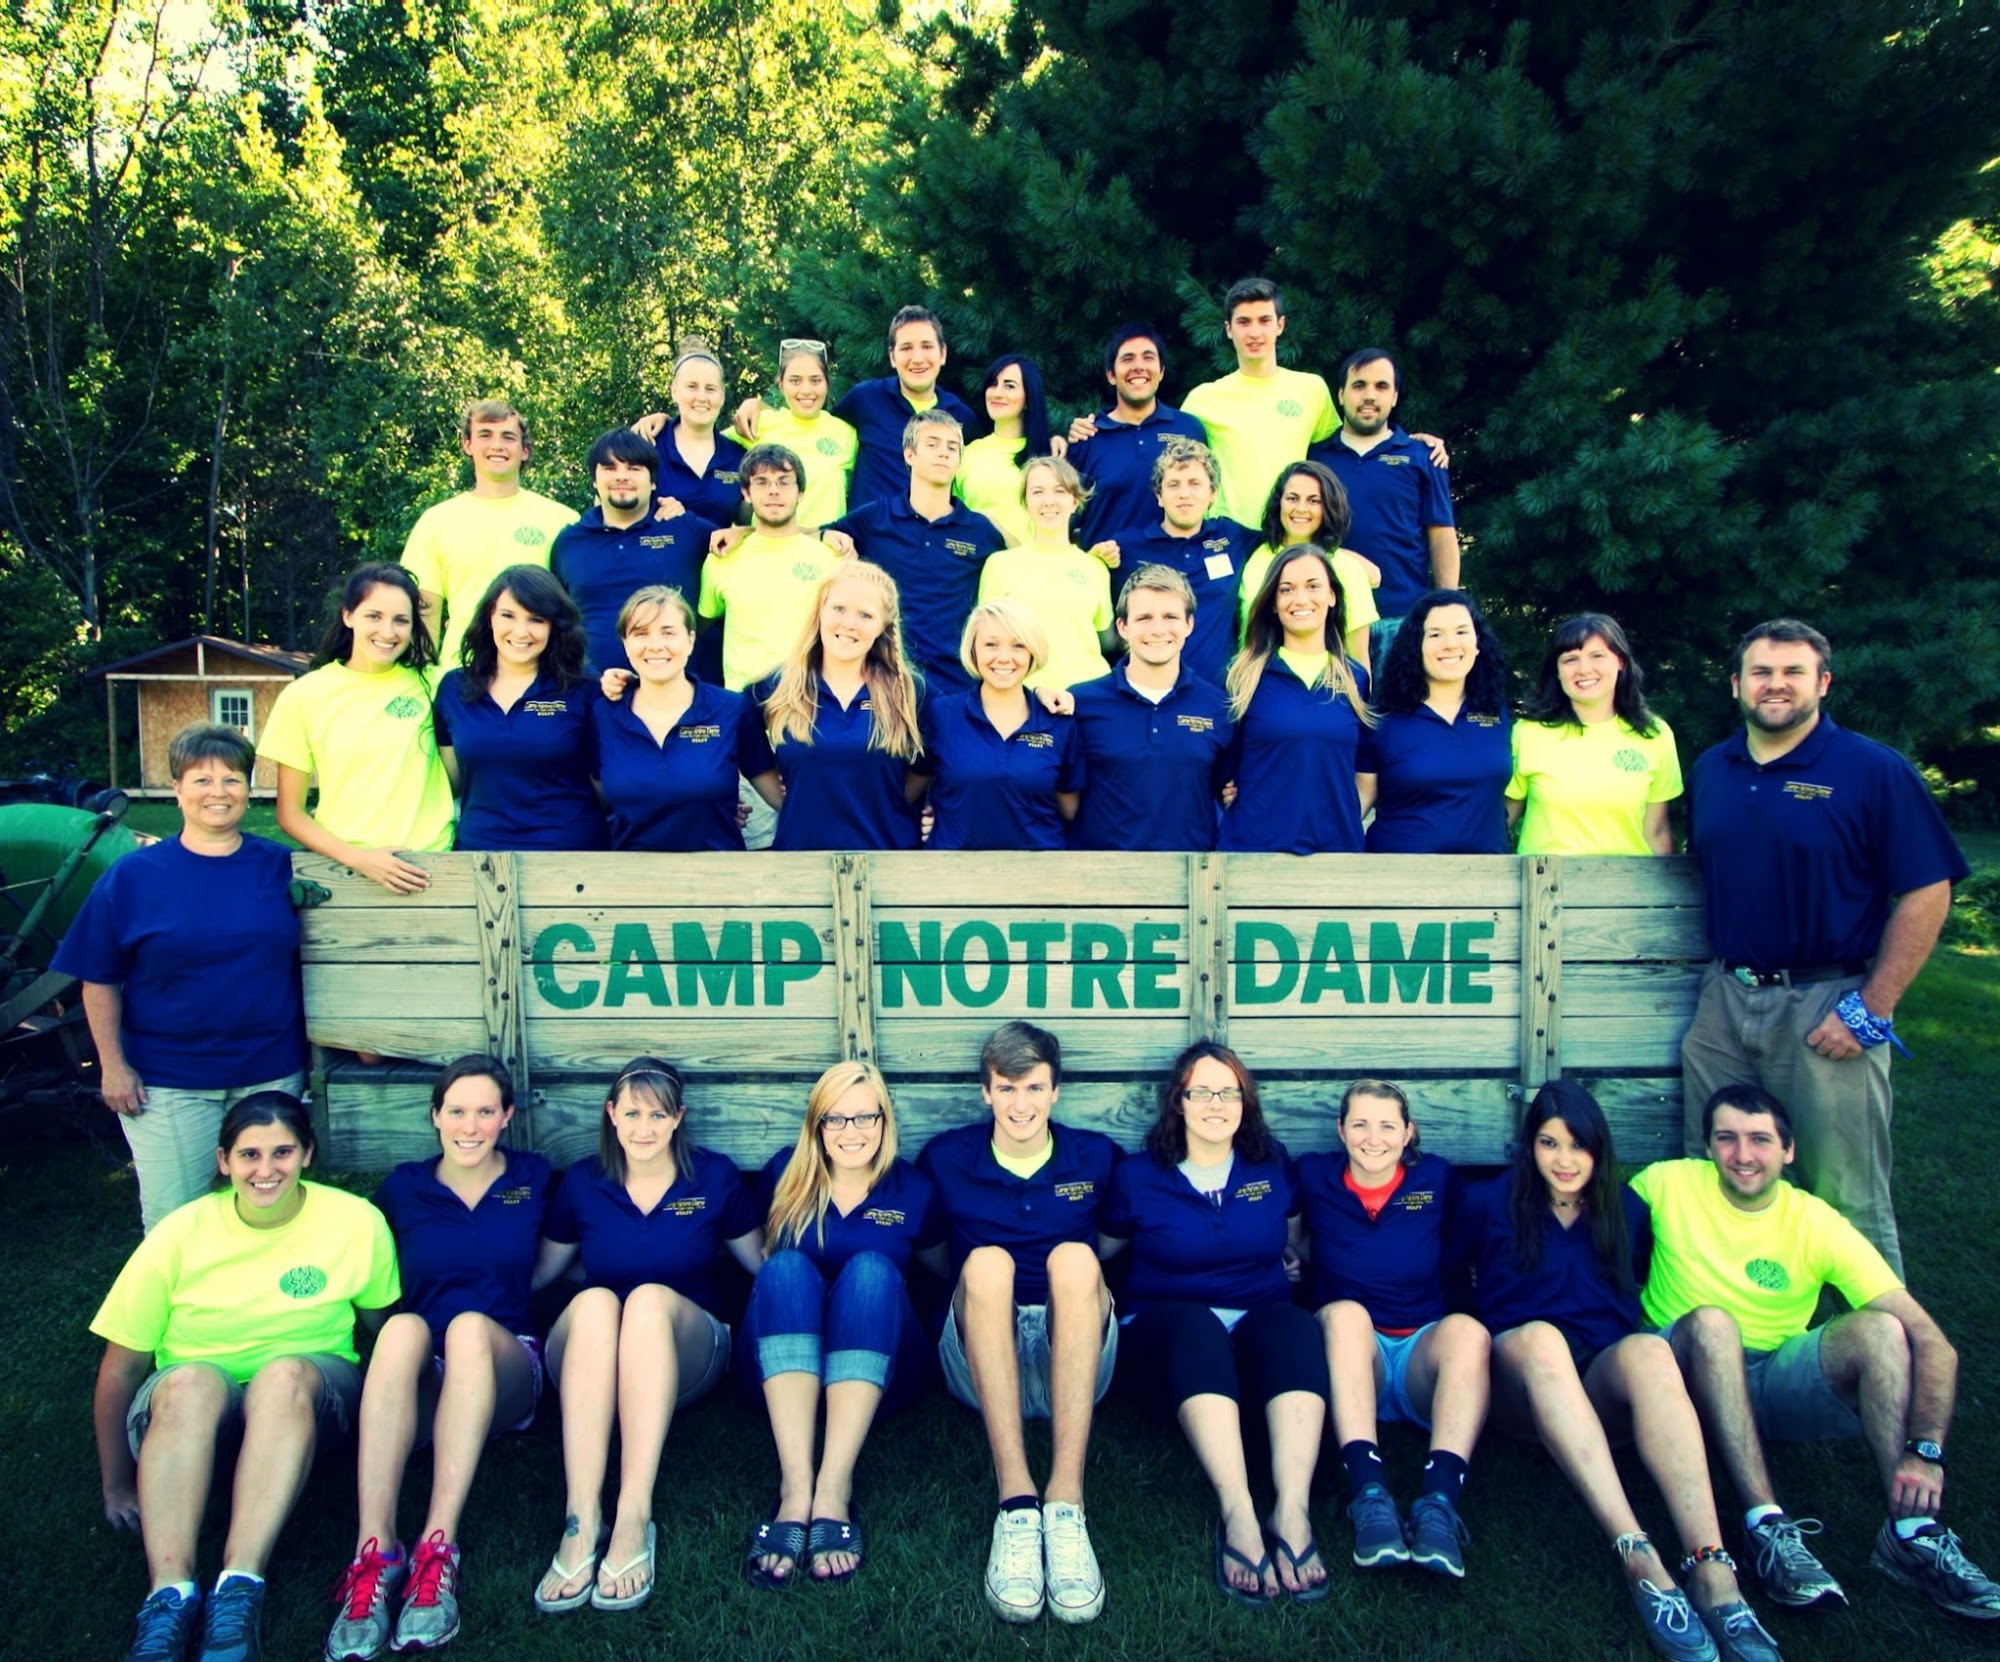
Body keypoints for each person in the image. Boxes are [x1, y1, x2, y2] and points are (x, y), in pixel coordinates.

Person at [1638, 1083, 2000, 1622]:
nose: (1742, 1154)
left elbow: (1932, 1342)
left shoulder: (1816, 1221)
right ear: (1708, 1145)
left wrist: (1925, 1450)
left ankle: (1911, 1532)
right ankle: (1766, 1526)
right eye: (1727, 1138)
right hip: (1679, 1371)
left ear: (1789, 1150)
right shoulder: (1666, 1183)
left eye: (1760, 1139)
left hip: (1772, 1374)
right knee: (1715, 1323)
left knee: (1882, 1331)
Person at [1678, 620, 1967, 1275]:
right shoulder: (1714, 769)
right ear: (1736, 684)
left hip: (1825, 1004)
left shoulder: (1872, 770)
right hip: (1725, 1002)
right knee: (1717, 1181)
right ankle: (1739, 1324)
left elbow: (1928, 889)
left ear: (1823, 683)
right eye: (1761, 672)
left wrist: (1873, 1006)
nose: (1775, 685)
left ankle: (1880, 1336)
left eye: (1793, 672)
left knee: (1845, 1196)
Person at [1460, 1080, 1781, 1662]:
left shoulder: (1627, 1210)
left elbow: (1636, 1275)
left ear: (1599, 1149)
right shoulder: (1488, 1202)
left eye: (1578, 1146)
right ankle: (1639, 1556)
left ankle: (1712, 1570)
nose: (1564, 1161)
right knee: (1543, 1340)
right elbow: (1452, 1279)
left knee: (1650, 1352)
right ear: (1529, 1145)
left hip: (1596, 1382)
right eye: (1549, 1143)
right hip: (1517, 1380)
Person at [93, 1092, 399, 1662]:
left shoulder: (356, 1221)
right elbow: (123, 1364)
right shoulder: (180, 1232)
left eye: (282, 1152)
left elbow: (385, 1329)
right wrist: (115, 1483)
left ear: (307, 1153)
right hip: (191, 1402)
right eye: (249, 1155)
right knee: (189, 1383)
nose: (266, 1170)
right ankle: (168, 1594)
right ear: (223, 1160)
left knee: (282, 1376)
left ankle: (239, 1585)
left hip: (308, 1395)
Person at [325, 1057, 555, 1660]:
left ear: (507, 1116)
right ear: (435, 1116)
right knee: (401, 1329)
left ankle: (437, 1549)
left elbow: (566, 1257)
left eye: (485, 1111)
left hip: (505, 1361)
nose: (470, 1126)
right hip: (426, 1372)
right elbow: (372, 1283)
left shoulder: (534, 1177)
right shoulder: (402, 1189)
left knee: (469, 1329)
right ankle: (374, 1554)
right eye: (457, 1111)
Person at [1099, 1042, 1329, 1605]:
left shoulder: (1270, 1164)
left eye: (1229, 1092)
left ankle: (1292, 1511)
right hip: (1167, 1341)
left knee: (1295, 1325)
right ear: (1177, 1102)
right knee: (1197, 1325)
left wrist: (1294, 1261)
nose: (1216, 1104)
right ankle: (1240, 1513)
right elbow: (1103, 1252)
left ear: (1246, 1103)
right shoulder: (1138, 1177)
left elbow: (1295, 1238)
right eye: (1201, 1092)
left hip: (1254, 1329)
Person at [532, 1059, 764, 1616]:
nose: (644, 1128)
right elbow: (541, 1274)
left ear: (678, 1118)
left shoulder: (713, 1177)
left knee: (646, 1300)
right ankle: (581, 1519)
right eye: (633, 1113)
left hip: (686, 1348)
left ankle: (633, 1517)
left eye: (658, 1115)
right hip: (596, 1358)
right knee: (596, 1302)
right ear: (611, 1114)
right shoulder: (583, 1183)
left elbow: (763, 1262)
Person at [55, 723, 305, 1232]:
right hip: (170, 1082)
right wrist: (112, 1067)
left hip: (271, 1072)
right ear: (177, 789)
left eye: (232, 780)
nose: (219, 792)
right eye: (202, 780)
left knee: (271, 1214)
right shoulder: (133, 877)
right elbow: (98, 978)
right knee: (176, 1225)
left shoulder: (284, 868)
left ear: (249, 788)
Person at [916, 1021, 1119, 1625]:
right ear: (986, 1092)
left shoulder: (1095, 1157)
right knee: (986, 1264)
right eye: (1006, 1088)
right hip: (982, 1352)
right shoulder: (947, 1160)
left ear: (1055, 1091)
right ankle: (1017, 1505)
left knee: (1075, 1258)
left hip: (1073, 1349)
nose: (1020, 1103)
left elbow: (1110, 1249)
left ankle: (1066, 1503)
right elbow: (938, 1258)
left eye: (1033, 1087)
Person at [741, 1060, 943, 1588]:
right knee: (785, 1268)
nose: (851, 1132)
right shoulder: (783, 1175)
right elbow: (758, 1258)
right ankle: (794, 1489)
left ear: (884, 1120)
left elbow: (940, 1269)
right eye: (835, 1119)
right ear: (817, 1124)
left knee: (873, 1270)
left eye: (864, 1117)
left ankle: (833, 1489)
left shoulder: (913, 1189)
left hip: (879, 1371)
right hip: (785, 1372)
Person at [1296, 1081, 1489, 1578]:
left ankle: (1439, 1504)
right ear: (1341, 1130)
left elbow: (1457, 1250)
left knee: (1468, 1332)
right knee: (1346, 1314)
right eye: (1360, 1124)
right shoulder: (1315, 1176)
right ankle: (1369, 1494)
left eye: (1387, 1126)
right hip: (1354, 1357)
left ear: (1408, 1133)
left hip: (1418, 1353)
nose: (1373, 1138)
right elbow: (1293, 1235)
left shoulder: (1436, 1179)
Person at [260, 562, 455, 895]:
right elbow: (290, 813)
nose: (388, 632)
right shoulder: (304, 695)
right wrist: (361, 859)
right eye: (374, 616)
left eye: (401, 620)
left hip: (434, 870)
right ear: (348, 616)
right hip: (345, 874)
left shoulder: (439, 686)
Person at [821, 409, 1009, 694]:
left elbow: (1026, 561)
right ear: (909, 454)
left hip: (954, 685)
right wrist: (826, 535)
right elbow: (807, 536)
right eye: (932, 444)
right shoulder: (877, 517)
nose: (943, 453)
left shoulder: (979, 530)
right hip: (883, 680)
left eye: (952, 448)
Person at [736, 306, 978, 514]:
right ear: (892, 356)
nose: (917, 358)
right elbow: (813, 421)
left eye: (926, 346)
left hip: (929, 543)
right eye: (906, 348)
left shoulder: (961, 418)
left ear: (943, 353)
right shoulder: (866, 399)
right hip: (866, 542)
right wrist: (758, 407)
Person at [593, 585, 782, 851]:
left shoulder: (731, 710)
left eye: (668, 632)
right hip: (630, 872)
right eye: (641, 633)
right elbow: (593, 791)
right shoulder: (603, 715)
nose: (655, 646)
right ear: (625, 643)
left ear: (691, 640)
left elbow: (780, 796)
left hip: (717, 871)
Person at [433, 565, 607, 852]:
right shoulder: (454, 688)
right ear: (489, 617)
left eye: (536, 619)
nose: (521, 631)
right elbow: (449, 783)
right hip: (479, 856)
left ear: (554, 625)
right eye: (508, 616)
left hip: (571, 857)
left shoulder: (585, 687)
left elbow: (605, 785)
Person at [755, 561, 926, 853]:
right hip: (799, 860)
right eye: (839, 608)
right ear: (820, 611)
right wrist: (792, 801)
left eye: (865, 615)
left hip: (890, 860)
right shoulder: (776, 687)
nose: (849, 624)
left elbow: (929, 768)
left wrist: (887, 805)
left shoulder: (910, 691)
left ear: (883, 625)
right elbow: (743, 751)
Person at [401, 399, 577, 675]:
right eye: (485, 435)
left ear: (525, 450)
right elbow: (424, 614)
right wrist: (423, 680)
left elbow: (579, 606)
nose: (497, 445)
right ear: (467, 445)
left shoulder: (562, 520)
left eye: (508, 437)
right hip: (461, 674)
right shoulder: (436, 521)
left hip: (543, 679)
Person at [1308, 348, 1461, 663]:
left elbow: (1441, 536)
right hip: (1333, 616)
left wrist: (1447, 606)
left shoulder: (1422, 456)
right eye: (1359, 385)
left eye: (1381, 386)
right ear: (1341, 395)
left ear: (1394, 397)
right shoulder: (1315, 458)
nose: (1369, 396)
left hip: (1403, 617)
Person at [1218, 546, 1374, 854]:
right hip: (1253, 855)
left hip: (1336, 856)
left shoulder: (1356, 679)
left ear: (1332, 596)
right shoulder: (1241, 677)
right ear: (1273, 604)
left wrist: (1338, 822)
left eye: (1313, 586)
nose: (1300, 599)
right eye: (1286, 589)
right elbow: (1219, 769)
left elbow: (1366, 774)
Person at [1068, 565, 1233, 853]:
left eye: (1170, 617)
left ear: (1189, 624)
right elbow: (1063, 796)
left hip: (1192, 873)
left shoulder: (1218, 707)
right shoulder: (1081, 703)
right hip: (1100, 873)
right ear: (1123, 627)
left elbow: (1229, 792)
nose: (1158, 629)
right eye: (1144, 618)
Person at [911, 601, 1085, 851]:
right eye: (991, 644)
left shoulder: (1058, 720)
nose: (1004, 657)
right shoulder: (941, 714)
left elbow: (1072, 812)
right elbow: (910, 791)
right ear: (973, 649)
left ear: (1033, 651)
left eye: (1018, 645)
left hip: (1039, 869)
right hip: (953, 869)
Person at [1083, 437, 1256, 687]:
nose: (1184, 494)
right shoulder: (1126, 548)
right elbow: (1088, 602)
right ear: (1159, 496)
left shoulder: (1232, 537)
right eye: (1173, 485)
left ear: (1213, 493)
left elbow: (1284, 537)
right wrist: (1094, 561)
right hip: (1145, 694)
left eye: (1194, 483)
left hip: (1216, 696)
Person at [1506, 611, 1682, 857]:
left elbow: (1657, 831)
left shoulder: (1654, 734)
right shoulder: (1528, 733)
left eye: (1597, 656)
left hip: (1630, 879)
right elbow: (1501, 822)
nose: (1584, 669)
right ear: (1557, 671)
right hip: (1547, 879)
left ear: (1620, 662)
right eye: (1570, 659)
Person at [548, 426, 716, 677]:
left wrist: (739, 532)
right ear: (594, 479)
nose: (622, 476)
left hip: (676, 692)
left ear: (653, 481)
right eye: (610, 468)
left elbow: (757, 543)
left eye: (634, 468)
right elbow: (557, 621)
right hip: (591, 692)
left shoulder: (689, 532)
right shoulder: (568, 542)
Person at [1358, 589, 1513, 854]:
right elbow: (1359, 800)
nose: (1450, 644)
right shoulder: (1382, 720)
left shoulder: (1498, 714)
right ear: (1415, 645)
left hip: (1488, 874)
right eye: (1435, 634)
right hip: (1398, 872)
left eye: (1461, 632)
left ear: (1478, 643)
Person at [1179, 277, 1339, 524]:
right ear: (1229, 329)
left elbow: (1337, 458)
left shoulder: (1311, 389)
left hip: (1292, 533)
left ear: (1280, 325)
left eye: (1264, 321)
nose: (1254, 333)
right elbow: (1175, 470)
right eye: (1244, 322)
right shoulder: (1202, 400)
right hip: (1227, 536)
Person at [694, 443, 840, 694]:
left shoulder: (831, 558)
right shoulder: (721, 559)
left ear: (800, 492)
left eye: (784, 482)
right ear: (746, 493)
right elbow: (702, 627)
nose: (774, 491)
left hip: (810, 700)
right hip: (744, 705)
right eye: (761, 482)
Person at [976, 455, 1115, 690]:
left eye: (1059, 491)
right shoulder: (999, 565)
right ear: (1026, 503)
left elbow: (1107, 642)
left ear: (1074, 501)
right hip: (1026, 697)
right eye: (1037, 492)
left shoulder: (1095, 566)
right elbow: (986, 642)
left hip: (1088, 698)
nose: (1049, 501)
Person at [1063, 323, 1208, 546]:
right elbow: (1065, 518)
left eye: (1148, 358)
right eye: (1127, 359)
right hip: (1109, 566)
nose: (1138, 366)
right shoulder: (1087, 438)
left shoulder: (1189, 429)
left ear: (1161, 371)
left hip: (1178, 565)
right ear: (1111, 375)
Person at [1236, 460, 1379, 671]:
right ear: (1279, 502)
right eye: (1292, 498)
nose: (1301, 509)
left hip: (1326, 685)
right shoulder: (1256, 558)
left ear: (1329, 507)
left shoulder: (1348, 569)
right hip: (1257, 681)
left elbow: (1358, 660)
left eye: (1314, 500)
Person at [632, 339, 748, 529]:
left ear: (722, 396)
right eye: (692, 387)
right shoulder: (647, 445)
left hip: (720, 549)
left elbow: (754, 523)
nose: (701, 397)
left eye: (710, 389)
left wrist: (740, 533)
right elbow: (611, 511)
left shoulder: (738, 456)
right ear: (674, 391)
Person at [748, 338, 859, 527]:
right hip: (769, 543)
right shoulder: (759, 424)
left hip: (825, 544)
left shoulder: (846, 433)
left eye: (815, 380)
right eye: (795, 381)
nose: (806, 390)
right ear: (781, 385)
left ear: (827, 383)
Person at [955, 354, 1055, 548]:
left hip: (1036, 564)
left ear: (1028, 399)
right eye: (993, 384)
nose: (997, 393)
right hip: (976, 563)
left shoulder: (1050, 456)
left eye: (1009, 386)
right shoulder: (966, 454)